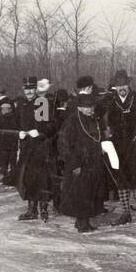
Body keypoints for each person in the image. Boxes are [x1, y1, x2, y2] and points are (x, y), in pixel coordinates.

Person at [100, 70, 136, 224]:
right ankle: (125, 213)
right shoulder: (110, 99)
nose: (121, 87)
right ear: (115, 87)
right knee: (121, 179)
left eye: (124, 84)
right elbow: (96, 115)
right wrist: (105, 131)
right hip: (117, 146)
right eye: (118, 85)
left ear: (128, 84)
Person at [58, 89, 108, 233]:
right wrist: (74, 165)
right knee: (81, 193)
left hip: (93, 162)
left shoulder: (94, 119)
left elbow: (98, 137)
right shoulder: (72, 120)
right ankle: (82, 223)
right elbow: (64, 144)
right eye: (87, 107)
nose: (90, 110)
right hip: (78, 164)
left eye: (92, 107)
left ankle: (84, 220)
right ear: (79, 107)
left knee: (90, 192)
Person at [15, 77, 61, 222]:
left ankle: (43, 210)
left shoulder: (42, 103)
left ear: (36, 89)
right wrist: (20, 133)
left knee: (43, 179)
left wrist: (40, 133)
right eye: (26, 88)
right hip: (27, 147)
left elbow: (52, 126)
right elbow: (18, 124)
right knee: (29, 179)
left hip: (42, 148)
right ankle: (32, 210)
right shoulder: (22, 105)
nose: (28, 91)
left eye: (31, 88)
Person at [0, 98, 19, 185]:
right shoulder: (16, 119)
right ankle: (14, 179)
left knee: (4, 164)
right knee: (13, 163)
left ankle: (6, 179)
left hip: (2, 145)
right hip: (13, 144)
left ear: (3, 110)